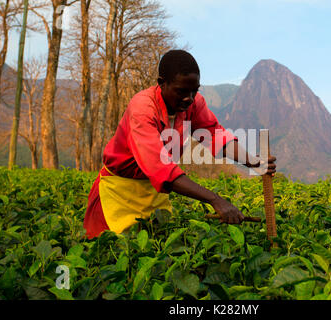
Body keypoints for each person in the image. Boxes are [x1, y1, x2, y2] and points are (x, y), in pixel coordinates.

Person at [83, 50, 276, 239]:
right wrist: (215, 200)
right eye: (181, 91)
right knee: (114, 251)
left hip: (154, 192)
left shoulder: (193, 104)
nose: (189, 98)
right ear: (162, 84)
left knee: (157, 248)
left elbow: (215, 136)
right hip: (120, 193)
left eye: (195, 90)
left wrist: (251, 161)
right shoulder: (142, 109)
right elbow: (162, 171)